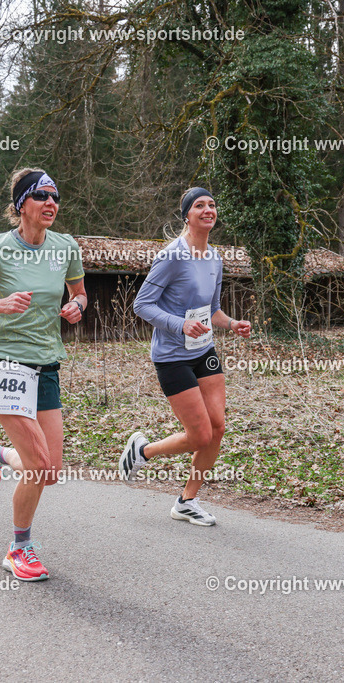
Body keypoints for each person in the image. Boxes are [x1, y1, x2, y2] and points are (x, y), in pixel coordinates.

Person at [0, 168, 86, 581]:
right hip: (5, 363)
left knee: (50, 470)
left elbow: (80, 293)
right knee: (38, 464)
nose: (51, 204)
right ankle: (19, 548)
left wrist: (78, 306)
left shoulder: (66, 248)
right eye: (41, 196)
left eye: (55, 197)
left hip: (46, 365)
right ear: (21, 203)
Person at [120, 187, 251, 525]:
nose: (208, 210)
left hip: (203, 351)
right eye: (199, 205)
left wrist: (232, 323)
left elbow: (213, 310)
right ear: (186, 216)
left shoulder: (215, 258)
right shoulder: (172, 256)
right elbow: (142, 305)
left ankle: (186, 501)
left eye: (212, 204)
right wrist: (180, 326)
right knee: (200, 435)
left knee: (218, 427)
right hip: (171, 356)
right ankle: (142, 451)